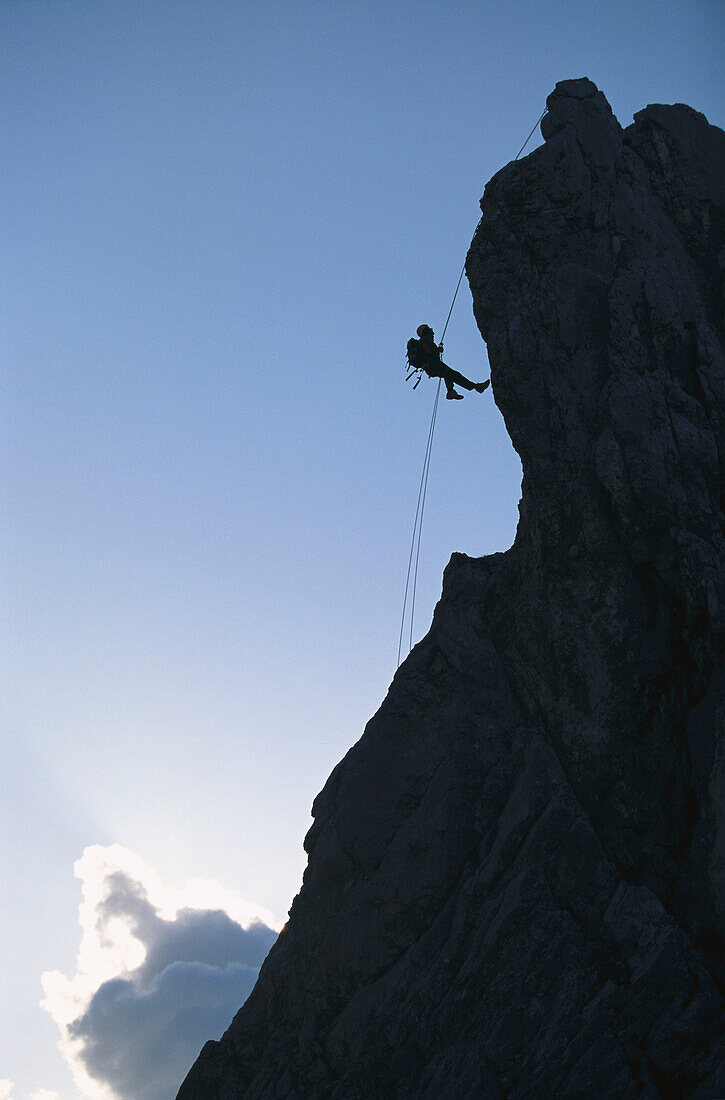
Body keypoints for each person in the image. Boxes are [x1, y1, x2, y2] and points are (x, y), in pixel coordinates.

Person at [406, 325, 490, 400]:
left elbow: (430, 353)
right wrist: (437, 350)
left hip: (431, 366)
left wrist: (437, 351)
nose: (432, 331)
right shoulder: (425, 340)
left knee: (450, 374)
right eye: (429, 329)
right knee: (453, 374)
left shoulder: (426, 341)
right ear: (426, 331)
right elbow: (429, 352)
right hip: (432, 365)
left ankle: (452, 391)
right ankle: (474, 387)